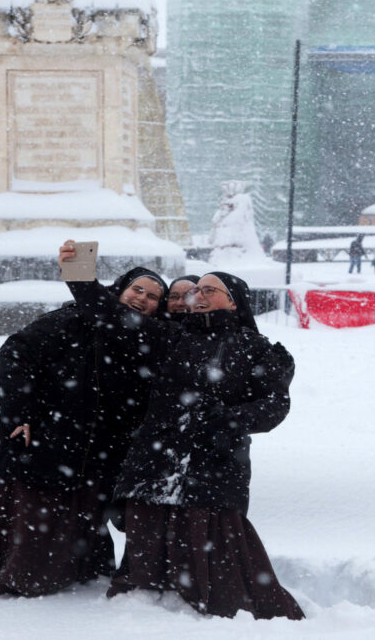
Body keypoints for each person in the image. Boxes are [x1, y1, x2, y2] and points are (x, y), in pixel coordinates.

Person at [59, 245, 304, 620]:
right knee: (147, 530)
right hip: (156, 457)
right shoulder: (168, 338)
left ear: (234, 302)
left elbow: (274, 407)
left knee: (212, 540)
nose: (198, 296)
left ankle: (214, 604)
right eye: (195, 290)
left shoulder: (259, 350)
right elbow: (111, 315)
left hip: (214, 462)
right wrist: (78, 274)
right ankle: (146, 602)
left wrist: (226, 420)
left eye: (210, 290)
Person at [0, 267, 169, 598]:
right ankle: (26, 577)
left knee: (83, 515)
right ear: (120, 289)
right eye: (137, 290)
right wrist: (19, 411)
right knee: (37, 512)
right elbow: (15, 353)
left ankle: (77, 575)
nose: (142, 299)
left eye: (153, 297)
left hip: (98, 448)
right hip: (50, 435)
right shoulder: (74, 318)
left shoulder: (148, 336)